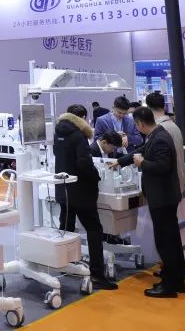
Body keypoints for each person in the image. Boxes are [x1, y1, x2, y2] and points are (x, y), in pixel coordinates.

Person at [116, 107, 184, 297]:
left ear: (139, 123)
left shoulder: (160, 138)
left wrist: (142, 164)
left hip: (163, 197)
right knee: (170, 240)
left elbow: (162, 166)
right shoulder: (156, 134)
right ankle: (176, 279)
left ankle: (169, 285)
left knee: (165, 241)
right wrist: (121, 161)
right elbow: (142, 150)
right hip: (163, 196)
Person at [52, 104, 118, 290]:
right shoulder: (78, 135)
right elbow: (83, 163)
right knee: (94, 230)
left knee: (66, 228)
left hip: (64, 188)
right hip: (82, 191)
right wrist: (95, 176)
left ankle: (66, 265)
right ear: (81, 118)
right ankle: (97, 274)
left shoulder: (58, 133)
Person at [146, 92, 185, 190]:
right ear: (164, 106)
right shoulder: (174, 126)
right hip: (178, 180)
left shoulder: (158, 129)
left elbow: (159, 163)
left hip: (167, 184)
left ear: (148, 108)